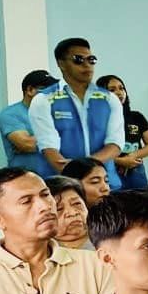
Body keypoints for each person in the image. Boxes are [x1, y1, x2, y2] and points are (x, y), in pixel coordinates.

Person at [30, 37, 125, 191]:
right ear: (61, 64)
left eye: (91, 60)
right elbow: (48, 147)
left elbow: (115, 144)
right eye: (78, 60)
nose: (87, 65)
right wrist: (77, 177)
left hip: (105, 186)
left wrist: (85, 169)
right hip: (61, 187)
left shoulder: (109, 99)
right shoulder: (44, 100)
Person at [95, 75, 148, 191]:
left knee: (141, 199)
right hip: (109, 171)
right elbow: (94, 153)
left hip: (135, 169)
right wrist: (120, 161)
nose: (119, 93)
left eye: (121, 88)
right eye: (112, 90)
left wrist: (132, 156)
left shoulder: (136, 116)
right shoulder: (97, 120)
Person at [0, 69, 58, 178]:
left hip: (56, 177)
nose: (52, 93)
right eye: (47, 90)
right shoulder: (11, 114)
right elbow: (26, 144)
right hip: (25, 179)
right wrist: (61, 136)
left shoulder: (56, 112)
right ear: (30, 90)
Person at [47, 177, 93, 249]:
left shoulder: (107, 238)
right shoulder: (44, 250)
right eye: (59, 209)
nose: (72, 213)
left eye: (77, 203)